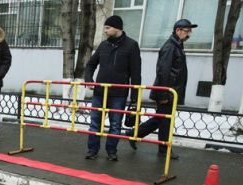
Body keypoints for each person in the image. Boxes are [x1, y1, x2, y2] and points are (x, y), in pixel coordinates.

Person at [129, 19, 197, 160]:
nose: (189, 34)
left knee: (161, 119)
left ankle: (135, 134)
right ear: (178, 30)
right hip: (167, 92)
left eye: (190, 31)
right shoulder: (170, 47)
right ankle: (163, 149)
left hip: (171, 91)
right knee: (164, 121)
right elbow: (163, 72)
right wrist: (164, 93)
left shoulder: (177, 45)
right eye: (187, 31)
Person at [84, 15, 141, 161]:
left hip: (119, 94)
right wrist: (89, 80)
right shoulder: (104, 45)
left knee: (115, 124)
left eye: (108, 28)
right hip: (100, 92)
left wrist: (135, 99)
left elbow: (135, 73)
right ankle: (92, 150)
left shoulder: (131, 46)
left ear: (117, 28)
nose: (105, 31)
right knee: (95, 123)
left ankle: (111, 152)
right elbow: (91, 64)